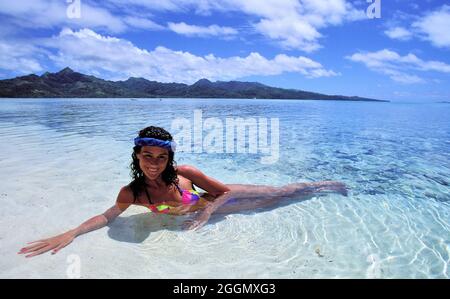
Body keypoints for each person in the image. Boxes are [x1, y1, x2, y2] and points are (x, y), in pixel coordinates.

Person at [18, 126, 347, 258]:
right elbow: (107, 216)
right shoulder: (131, 192)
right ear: (137, 156)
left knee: (282, 194)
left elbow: (224, 194)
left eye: (161, 157)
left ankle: (324, 185)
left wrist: (204, 214)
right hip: (212, 209)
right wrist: (71, 232)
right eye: (147, 156)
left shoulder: (185, 174)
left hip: (227, 199)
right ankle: (317, 189)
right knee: (280, 199)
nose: (154, 164)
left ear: (169, 158)